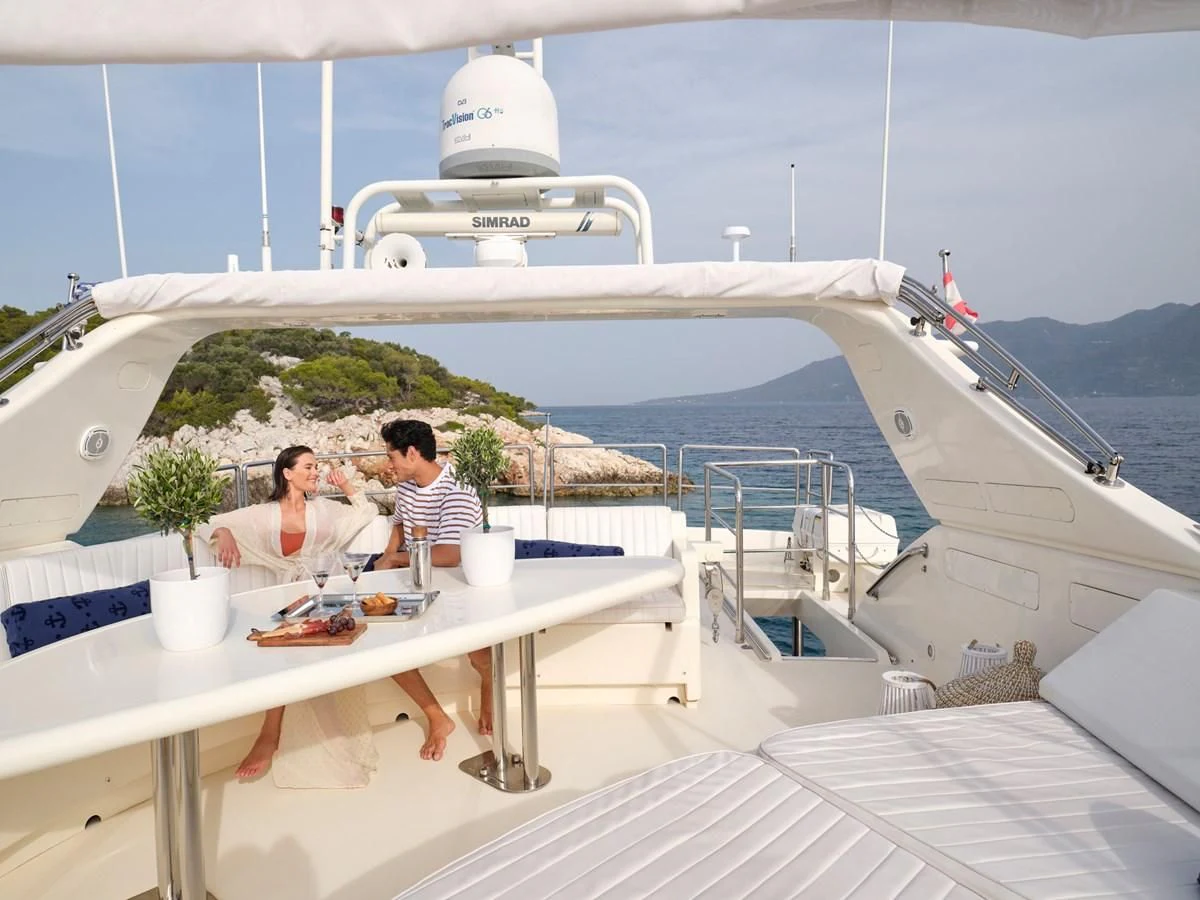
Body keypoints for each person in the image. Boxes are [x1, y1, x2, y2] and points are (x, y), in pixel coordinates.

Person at [197, 445, 378, 780]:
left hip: (326, 593)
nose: (315, 472)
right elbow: (207, 523)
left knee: (326, 643)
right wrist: (223, 534)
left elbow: (367, 512)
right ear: (287, 473)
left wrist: (347, 487)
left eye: (317, 467)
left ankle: (284, 734)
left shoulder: (325, 509)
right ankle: (271, 734)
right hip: (288, 599)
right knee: (281, 652)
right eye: (308, 467)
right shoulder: (263, 514)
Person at [372, 418, 490, 761]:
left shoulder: (458, 489)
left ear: (411, 453)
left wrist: (393, 562)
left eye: (391, 456)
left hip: (456, 586)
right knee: (386, 649)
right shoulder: (407, 487)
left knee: (479, 654)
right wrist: (386, 557)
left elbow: (450, 555)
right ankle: (437, 716)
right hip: (413, 582)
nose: (388, 464)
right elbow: (398, 525)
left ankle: (488, 686)